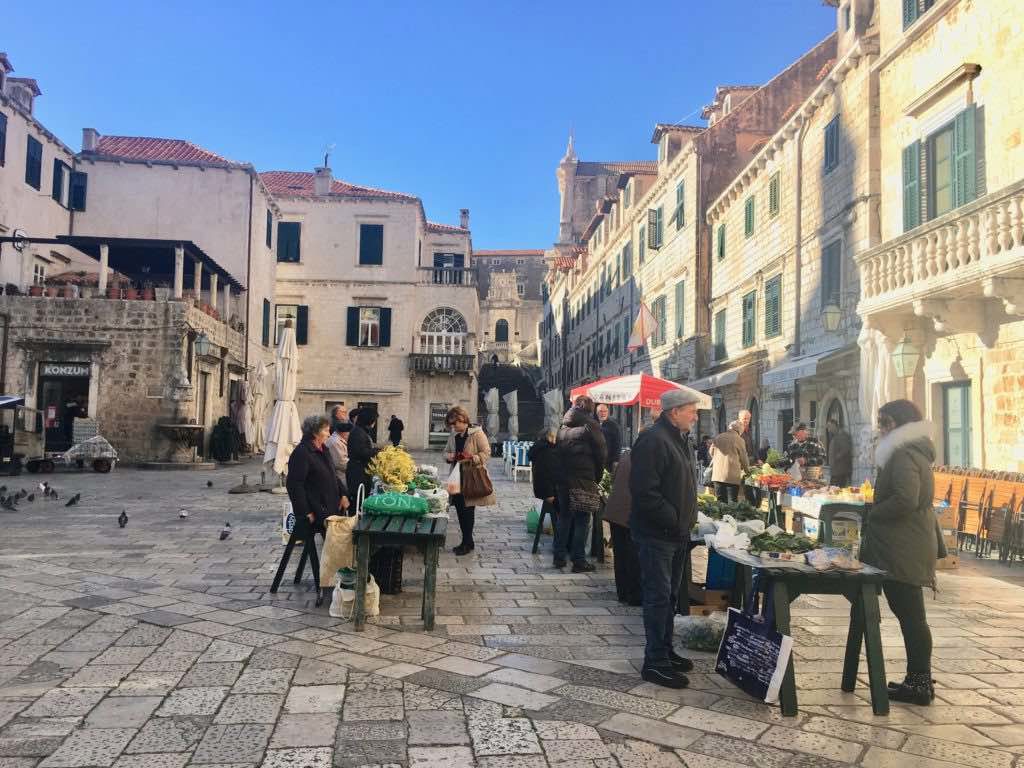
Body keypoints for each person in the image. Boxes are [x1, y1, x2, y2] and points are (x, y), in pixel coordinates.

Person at [859, 399, 943, 706]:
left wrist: (875, 513)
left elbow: (906, 498)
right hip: (905, 543)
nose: (881, 428)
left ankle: (919, 682)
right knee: (910, 614)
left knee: (911, 615)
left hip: (903, 545)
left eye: (886, 422)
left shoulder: (905, 453)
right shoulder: (908, 451)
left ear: (901, 424)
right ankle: (917, 680)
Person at [630, 388, 700, 689]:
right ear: (675, 412)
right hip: (658, 534)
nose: (695, 416)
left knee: (670, 596)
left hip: (676, 534)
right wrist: (672, 519)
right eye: (691, 411)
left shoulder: (678, 439)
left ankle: (665, 651)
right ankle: (654, 663)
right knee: (658, 597)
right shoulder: (653, 439)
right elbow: (645, 491)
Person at [555, 396, 606, 572]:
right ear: (590, 409)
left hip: (563, 478)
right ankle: (578, 561)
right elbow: (601, 453)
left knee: (564, 517)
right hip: (583, 478)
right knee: (583, 519)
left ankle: (559, 557)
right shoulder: (590, 426)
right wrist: (597, 477)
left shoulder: (562, 427)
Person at [444, 406, 495, 555]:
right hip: (456, 477)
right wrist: (451, 457)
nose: (453, 427)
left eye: (455, 424)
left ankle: (467, 542)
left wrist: (471, 458)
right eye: (451, 425)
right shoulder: (453, 435)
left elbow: (486, 453)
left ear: (463, 419)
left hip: (472, 476)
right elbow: (445, 452)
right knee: (460, 510)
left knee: (468, 511)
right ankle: (467, 541)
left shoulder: (477, 433)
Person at [286, 415, 346, 540]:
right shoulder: (302, 452)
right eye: (325, 430)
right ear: (314, 432)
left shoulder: (324, 449)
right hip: (317, 509)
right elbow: (294, 485)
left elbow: (333, 475)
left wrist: (343, 494)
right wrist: (305, 512)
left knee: (335, 546)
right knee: (333, 545)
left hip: (332, 506)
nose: (329, 434)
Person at [603, 452, 642, 605]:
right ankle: (634, 596)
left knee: (620, 555)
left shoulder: (626, 456)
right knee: (633, 555)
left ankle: (623, 593)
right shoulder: (646, 457)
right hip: (630, 513)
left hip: (616, 511)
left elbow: (614, 479)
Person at [528, 428, 562, 548]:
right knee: (568, 512)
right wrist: (550, 494)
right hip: (548, 491)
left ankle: (561, 542)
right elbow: (547, 474)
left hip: (540, 489)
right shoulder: (547, 451)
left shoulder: (538, 449)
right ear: (550, 437)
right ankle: (561, 544)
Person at [711, 420, 749, 503]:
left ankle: (720, 516)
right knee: (732, 501)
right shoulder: (739, 439)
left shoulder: (718, 437)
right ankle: (730, 516)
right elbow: (744, 458)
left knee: (720, 501)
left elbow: (711, 452)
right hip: (732, 475)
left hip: (717, 474)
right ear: (740, 430)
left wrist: (718, 459)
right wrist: (747, 471)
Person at [346, 410, 376, 507]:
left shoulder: (361, 431)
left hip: (361, 470)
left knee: (363, 496)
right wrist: (377, 452)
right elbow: (361, 452)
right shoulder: (358, 433)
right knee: (358, 500)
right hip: (358, 472)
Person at [325, 421, 352, 514]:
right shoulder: (335, 442)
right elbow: (341, 462)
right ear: (344, 432)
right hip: (339, 476)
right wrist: (355, 465)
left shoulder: (339, 440)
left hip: (341, 476)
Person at [827, 418, 854, 487]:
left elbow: (846, 449)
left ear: (834, 425)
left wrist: (836, 457)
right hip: (835, 471)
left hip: (841, 471)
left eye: (829, 426)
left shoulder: (843, 435)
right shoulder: (835, 436)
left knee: (838, 491)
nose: (828, 429)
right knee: (833, 491)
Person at [596, 404, 622, 472]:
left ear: (608, 412)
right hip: (595, 460)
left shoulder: (613, 425)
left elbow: (618, 443)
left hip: (609, 461)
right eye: (601, 411)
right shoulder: (593, 423)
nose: (603, 413)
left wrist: (616, 460)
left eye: (605, 411)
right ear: (597, 412)